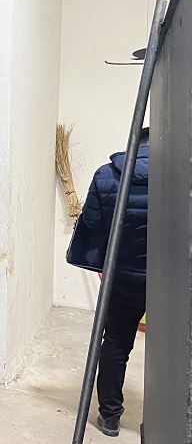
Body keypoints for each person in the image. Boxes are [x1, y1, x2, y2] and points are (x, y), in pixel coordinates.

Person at [80, 127, 149, 438]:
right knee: (175, 348)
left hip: (122, 275)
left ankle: (110, 416)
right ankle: (171, 418)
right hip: (170, 281)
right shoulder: (180, 174)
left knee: (116, 345)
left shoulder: (106, 175)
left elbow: (92, 222)